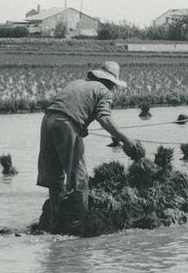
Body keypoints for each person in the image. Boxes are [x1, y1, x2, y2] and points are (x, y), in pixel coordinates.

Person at [37, 61, 144, 231]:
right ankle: (82, 224)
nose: (113, 89)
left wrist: (80, 127)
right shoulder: (103, 91)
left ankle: (53, 223)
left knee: (55, 177)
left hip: (48, 121)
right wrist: (127, 140)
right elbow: (104, 119)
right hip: (67, 124)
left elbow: (69, 108)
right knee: (80, 178)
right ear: (110, 82)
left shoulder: (77, 83)